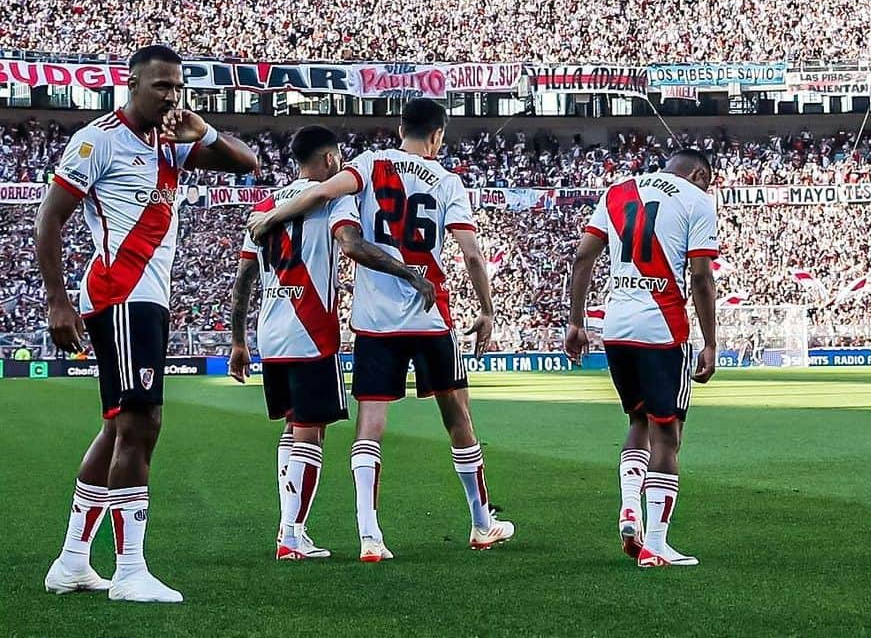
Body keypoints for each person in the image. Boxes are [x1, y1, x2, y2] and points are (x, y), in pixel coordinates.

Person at [247, 98, 514, 561]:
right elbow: (472, 254)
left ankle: (370, 537)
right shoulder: (448, 181)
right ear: (437, 135)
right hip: (431, 318)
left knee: (369, 428)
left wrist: (271, 216)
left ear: (399, 128)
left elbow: (321, 194)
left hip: (375, 324)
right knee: (459, 421)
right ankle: (481, 523)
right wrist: (487, 311)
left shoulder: (367, 166)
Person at [36, 45, 258, 602]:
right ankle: (130, 570)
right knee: (143, 422)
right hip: (122, 296)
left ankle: (71, 562)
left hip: (147, 301)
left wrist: (202, 131)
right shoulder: (97, 141)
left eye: (177, 86)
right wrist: (58, 303)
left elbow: (247, 162)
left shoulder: (173, 144)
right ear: (131, 85)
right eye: (160, 86)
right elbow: (49, 221)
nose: (171, 96)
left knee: (117, 427)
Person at [229, 125, 437, 561]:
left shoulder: (266, 205)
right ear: (328, 160)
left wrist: (238, 340)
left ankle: (292, 530)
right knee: (309, 433)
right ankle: (290, 534)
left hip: (270, 329)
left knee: (293, 427)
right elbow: (352, 245)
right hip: (309, 330)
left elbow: (244, 278)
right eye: (339, 156)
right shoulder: (333, 198)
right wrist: (408, 273)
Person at [564, 149, 718, 568]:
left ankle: (630, 506)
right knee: (667, 435)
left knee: (637, 421)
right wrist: (711, 341)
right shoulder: (698, 199)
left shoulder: (617, 191)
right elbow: (701, 276)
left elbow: (582, 257)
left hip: (616, 324)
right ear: (700, 174)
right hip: (662, 326)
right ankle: (655, 544)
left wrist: (576, 322)